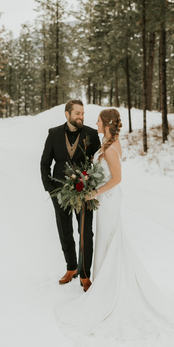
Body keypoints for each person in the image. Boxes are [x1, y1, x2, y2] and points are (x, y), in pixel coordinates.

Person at [54, 108, 174, 347]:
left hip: (109, 201)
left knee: (110, 242)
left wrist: (93, 193)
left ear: (108, 124)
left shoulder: (110, 149)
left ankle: (111, 287)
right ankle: (106, 280)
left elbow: (118, 179)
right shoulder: (107, 143)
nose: (95, 123)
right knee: (108, 242)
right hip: (104, 199)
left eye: (99, 120)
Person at [40, 100, 100, 292]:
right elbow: (44, 163)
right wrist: (50, 187)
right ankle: (71, 267)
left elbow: (98, 163)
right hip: (60, 191)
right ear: (67, 114)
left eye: (82, 113)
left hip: (85, 193)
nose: (81, 116)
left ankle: (84, 274)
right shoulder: (53, 133)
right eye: (77, 113)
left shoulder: (91, 134)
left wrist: (92, 186)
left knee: (85, 233)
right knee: (64, 230)